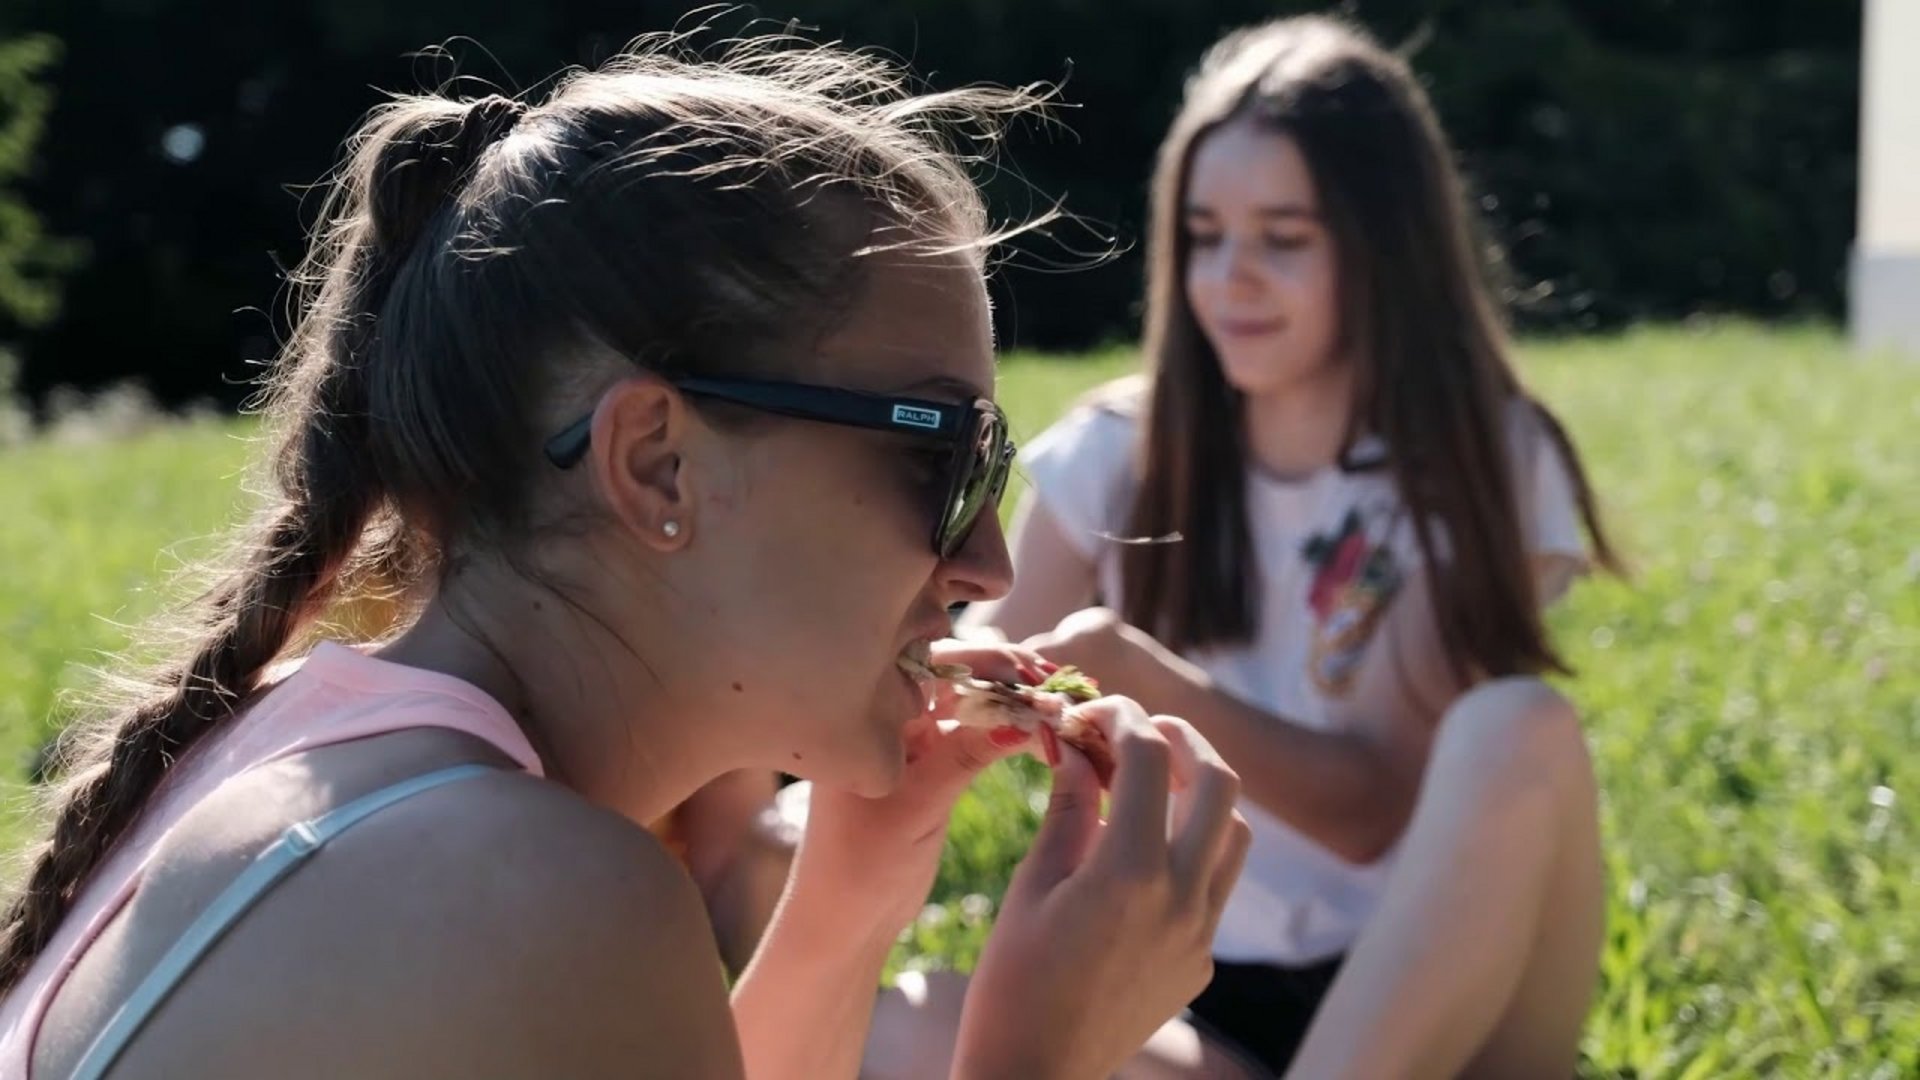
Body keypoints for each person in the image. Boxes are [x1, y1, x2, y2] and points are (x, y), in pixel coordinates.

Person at [0, 33, 1250, 1079]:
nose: (987, 562)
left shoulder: (335, 750)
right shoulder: (535, 889)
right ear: (656, 462)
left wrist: (849, 898)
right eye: (944, 455)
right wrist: (1043, 1055)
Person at [957, 15, 1623, 1078]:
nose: (1231, 278)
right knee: (913, 1024)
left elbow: (1364, 810)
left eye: (1284, 237)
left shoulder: (1479, 456)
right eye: (1207, 235)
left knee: (1518, 725)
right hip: (1201, 1007)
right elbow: (986, 662)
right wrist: (955, 685)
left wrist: (1135, 669)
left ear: (1384, 249)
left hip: (1445, 994)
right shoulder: (1111, 454)